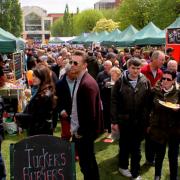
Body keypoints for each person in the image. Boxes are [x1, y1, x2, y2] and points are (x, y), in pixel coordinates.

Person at [111, 57, 151, 180]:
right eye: (133, 68)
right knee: (124, 145)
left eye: (138, 68)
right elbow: (113, 102)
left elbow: (148, 102)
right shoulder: (120, 82)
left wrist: (148, 119)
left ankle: (135, 172)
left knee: (136, 148)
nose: (136, 71)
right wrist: (114, 121)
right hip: (124, 120)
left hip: (140, 121)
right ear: (128, 68)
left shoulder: (145, 81)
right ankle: (123, 167)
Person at [69, 50, 102, 180]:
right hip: (82, 131)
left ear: (84, 65)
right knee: (87, 163)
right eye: (71, 62)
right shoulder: (81, 80)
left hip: (85, 133)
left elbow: (91, 115)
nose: (72, 65)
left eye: (75, 63)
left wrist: (80, 132)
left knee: (87, 165)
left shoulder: (87, 84)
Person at [148, 70, 180, 180]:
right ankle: (157, 176)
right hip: (159, 128)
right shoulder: (155, 90)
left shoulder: (178, 92)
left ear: (174, 80)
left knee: (173, 156)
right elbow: (149, 107)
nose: (165, 81)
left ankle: (174, 177)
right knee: (159, 154)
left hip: (174, 129)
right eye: (163, 78)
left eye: (168, 79)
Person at [15, 64, 57, 136]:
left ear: (43, 77)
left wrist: (18, 116)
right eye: (33, 75)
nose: (33, 78)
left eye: (36, 76)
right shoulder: (44, 89)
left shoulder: (44, 95)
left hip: (40, 133)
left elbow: (37, 117)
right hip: (40, 130)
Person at [141, 50, 165, 165]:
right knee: (143, 134)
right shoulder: (142, 71)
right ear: (154, 59)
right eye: (162, 59)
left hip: (155, 109)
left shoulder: (161, 73)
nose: (163, 62)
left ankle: (150, 158)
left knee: (152, 134)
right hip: (142, 109)